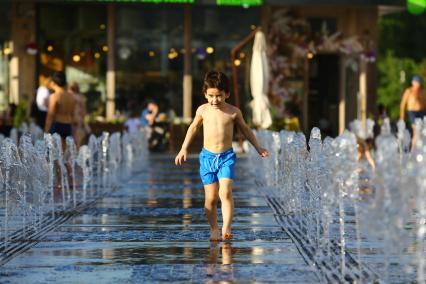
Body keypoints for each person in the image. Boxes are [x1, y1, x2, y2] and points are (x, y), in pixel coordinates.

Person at [174, 71, 269, 241]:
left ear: (227, 94)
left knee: (225, 192)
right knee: (210, 199)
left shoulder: (233, 112)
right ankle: (214, 228)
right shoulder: (202, 110)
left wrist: (257, 146)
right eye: (210, 96)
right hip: (207, 158)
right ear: (205, 94)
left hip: (226, 157)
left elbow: (246, 130)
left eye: (219, 96)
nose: (214, 100)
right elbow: (193, 128)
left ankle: (226, 227)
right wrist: (184, 148)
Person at [45, 71, 76, 149]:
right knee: (65, 152)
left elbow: (50, 115)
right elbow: (72, 113)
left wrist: (46, 130)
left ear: (53, 82)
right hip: (68, 125)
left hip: (57, 125)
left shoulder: (55, 96)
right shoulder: (71, 96)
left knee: (54, 152)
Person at [400, 75, 426, 148]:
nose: (418, 84)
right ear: (413, 83)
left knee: (422, 131)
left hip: (421, 112)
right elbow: (403, 104)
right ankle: (413, 149)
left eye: (419, 82)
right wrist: (402, 117)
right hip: (412, 112)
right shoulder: (409, 91)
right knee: (415, 130)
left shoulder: (422, 91)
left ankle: (420, 148)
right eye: (416, 82)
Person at [69, 81, 88, 147]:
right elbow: (83, 110)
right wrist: (83, 119)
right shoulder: (80, 96)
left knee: (68, 140)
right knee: (77, 140)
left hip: (68, 118)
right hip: (78, 118)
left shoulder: (68, 95)